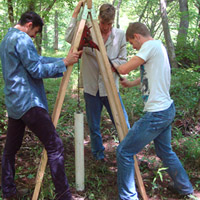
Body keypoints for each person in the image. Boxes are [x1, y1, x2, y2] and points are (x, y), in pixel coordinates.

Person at [0, 11, 81, 200]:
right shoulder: (22, 39)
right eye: (34, 32)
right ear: (29, 24)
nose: (33, 36)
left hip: (14, 103)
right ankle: (64, 196)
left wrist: (63, 61)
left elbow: (36, 60)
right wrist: (63, 64)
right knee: (55, 146)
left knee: (10, 149)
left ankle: (8, 191)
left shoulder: (6, 38)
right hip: (28, 102)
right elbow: (36, 69)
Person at [115, 22, 194, 200]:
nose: (133, 47)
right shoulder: (158, 46)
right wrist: (131, 83)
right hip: (166, 109)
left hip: (157, 113)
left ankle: (128, 197)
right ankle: (185, 187)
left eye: (132, 43)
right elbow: (149, 74)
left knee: (124, 152)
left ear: (137, 36)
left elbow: (124, 68)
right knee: (165, 152)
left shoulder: (149, 45)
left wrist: (110, 61)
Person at [65, 2, 130, 161]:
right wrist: (76, 13)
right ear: (98, 18)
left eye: (108, 24)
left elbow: (123, 60)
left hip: (110, 88)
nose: (105, 27)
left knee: (122, 123)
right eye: (102, 23)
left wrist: (110, 64)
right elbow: (69, 37)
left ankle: (127, 153)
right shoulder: (88, 29)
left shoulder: (119, 35)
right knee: (94, 126)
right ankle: (98, 155)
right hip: (91, 86)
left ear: (112, 22)